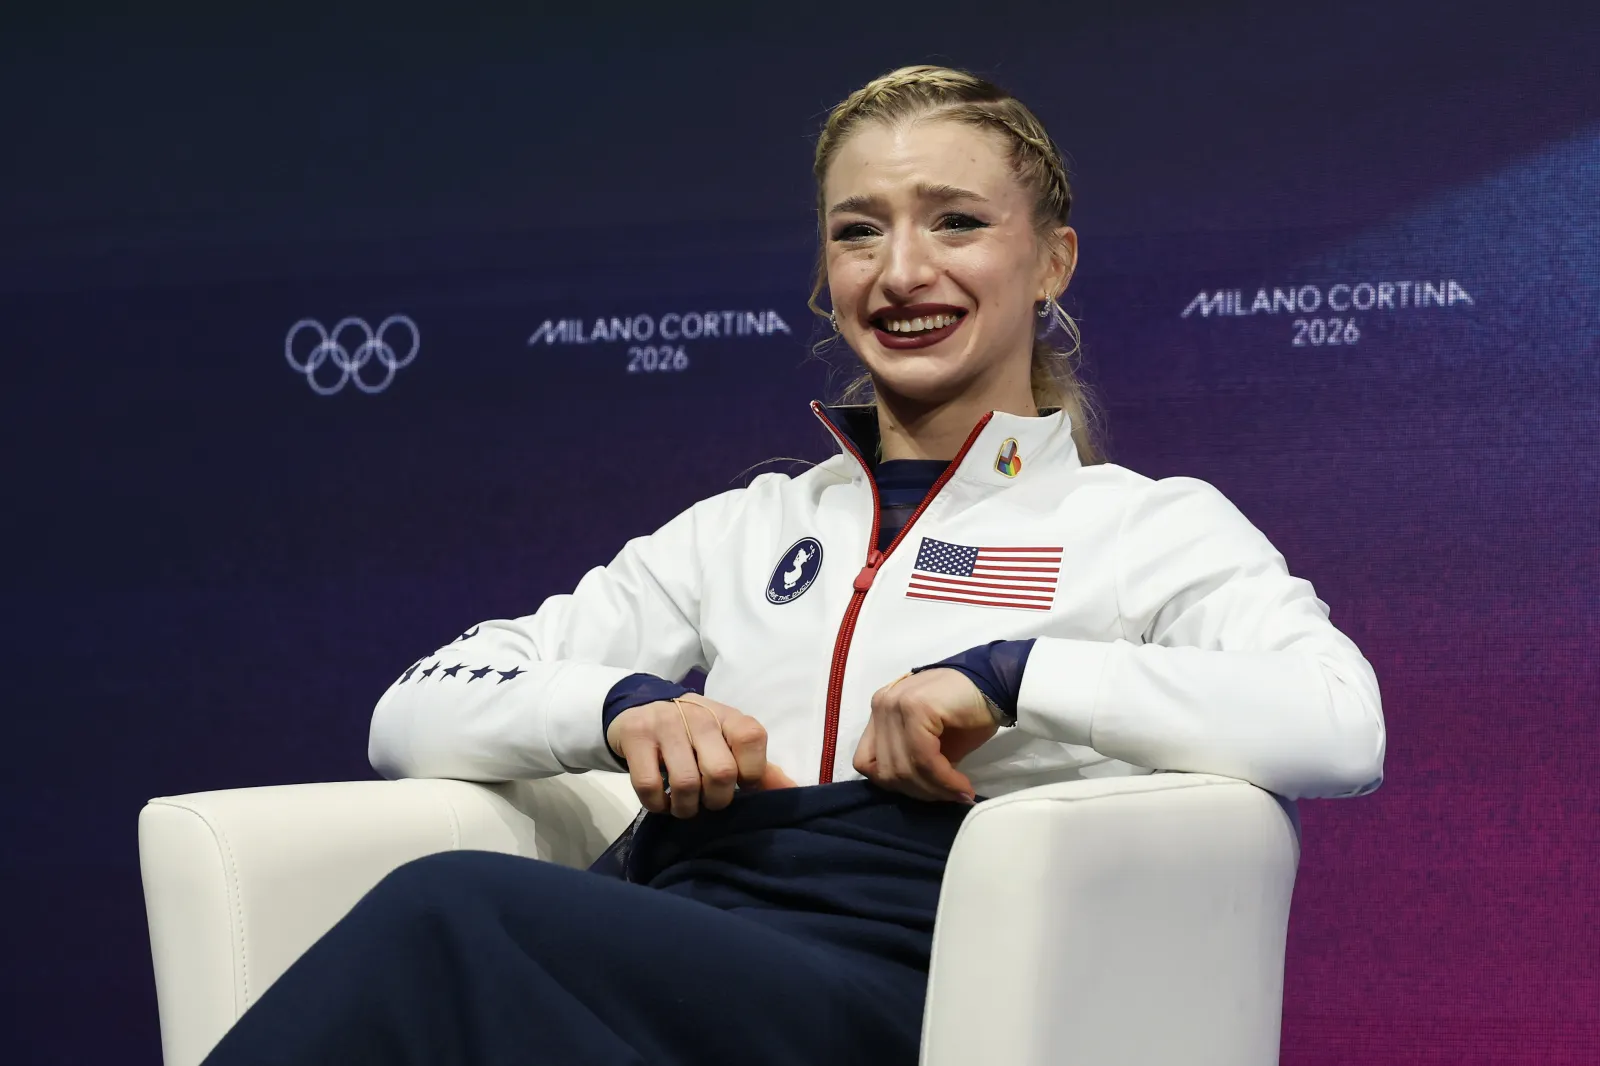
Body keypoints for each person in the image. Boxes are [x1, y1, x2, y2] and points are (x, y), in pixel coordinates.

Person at [202, 64, 1385, 1066]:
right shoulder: (747, 525)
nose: (901, 271)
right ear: (824, 273)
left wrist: (1012, 674)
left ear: (1054, 260)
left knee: (447, 916)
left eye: (955, 222)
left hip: (912, 979)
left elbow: (1339, 721)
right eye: (857, 229)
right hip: (678, 935)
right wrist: (620, 709)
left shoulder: (1141, 524)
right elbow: (412, 711)